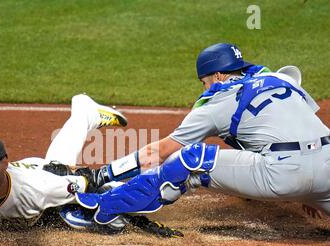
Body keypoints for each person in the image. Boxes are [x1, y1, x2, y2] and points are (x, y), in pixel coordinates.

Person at [73, 43, 330, 225]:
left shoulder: (217, 104)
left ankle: (101, 208)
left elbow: (159, 152)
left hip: (283, 176)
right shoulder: (280, 80)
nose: (204, 87)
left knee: (192, 161)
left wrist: (103, 173)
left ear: (217, 76)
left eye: (204, 82)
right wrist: (309, 191)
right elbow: (296, 120)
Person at [0, 95, 182, 245]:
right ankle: (83, 111)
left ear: (3, 163)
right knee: (57, 162)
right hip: (37, 175)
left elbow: (92, 185)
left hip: (48, 177)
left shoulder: (37, 190)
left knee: (89, 211)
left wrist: (142, 222)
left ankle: (85, 113)